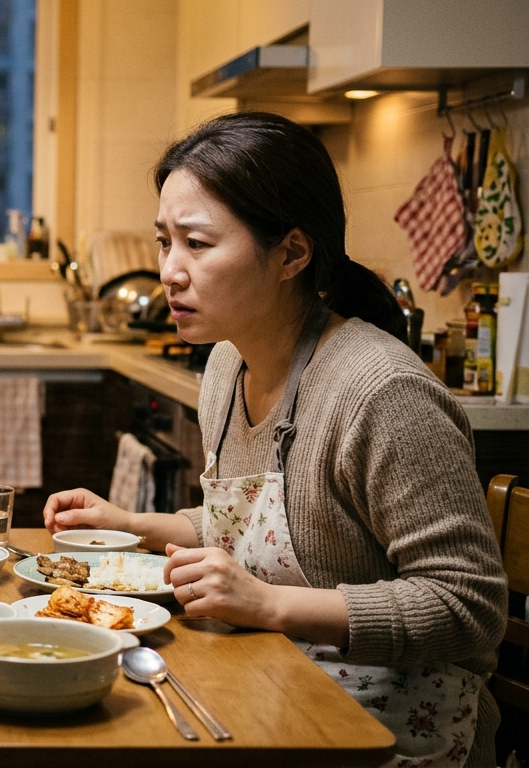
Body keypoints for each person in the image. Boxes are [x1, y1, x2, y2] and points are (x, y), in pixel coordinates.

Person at [44, 112, 507, 767]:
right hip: (273, 694)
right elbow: (257, 529)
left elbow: (468, 605)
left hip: (392, 737)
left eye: (197, 245)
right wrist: (131, 523)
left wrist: (268, 605)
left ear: (292, 252)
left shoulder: (379, 392)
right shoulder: (227, 367)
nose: (169, 272)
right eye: (163, 242)